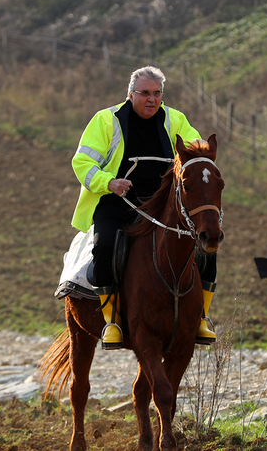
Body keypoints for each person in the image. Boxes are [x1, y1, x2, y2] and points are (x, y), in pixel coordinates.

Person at [70, 66, 218, 350]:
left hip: (163, 207)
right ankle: (111, 319)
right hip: (117, 201)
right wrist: (109, 182)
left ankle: (201, 318)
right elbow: (82, 162)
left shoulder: (175, 119)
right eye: (145, 93)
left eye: (157, 93)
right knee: (104, 248)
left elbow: (194, 148)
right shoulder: (105, 120)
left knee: (206, 247)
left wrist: (202, 152)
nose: (151, 99)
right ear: (130, 94)